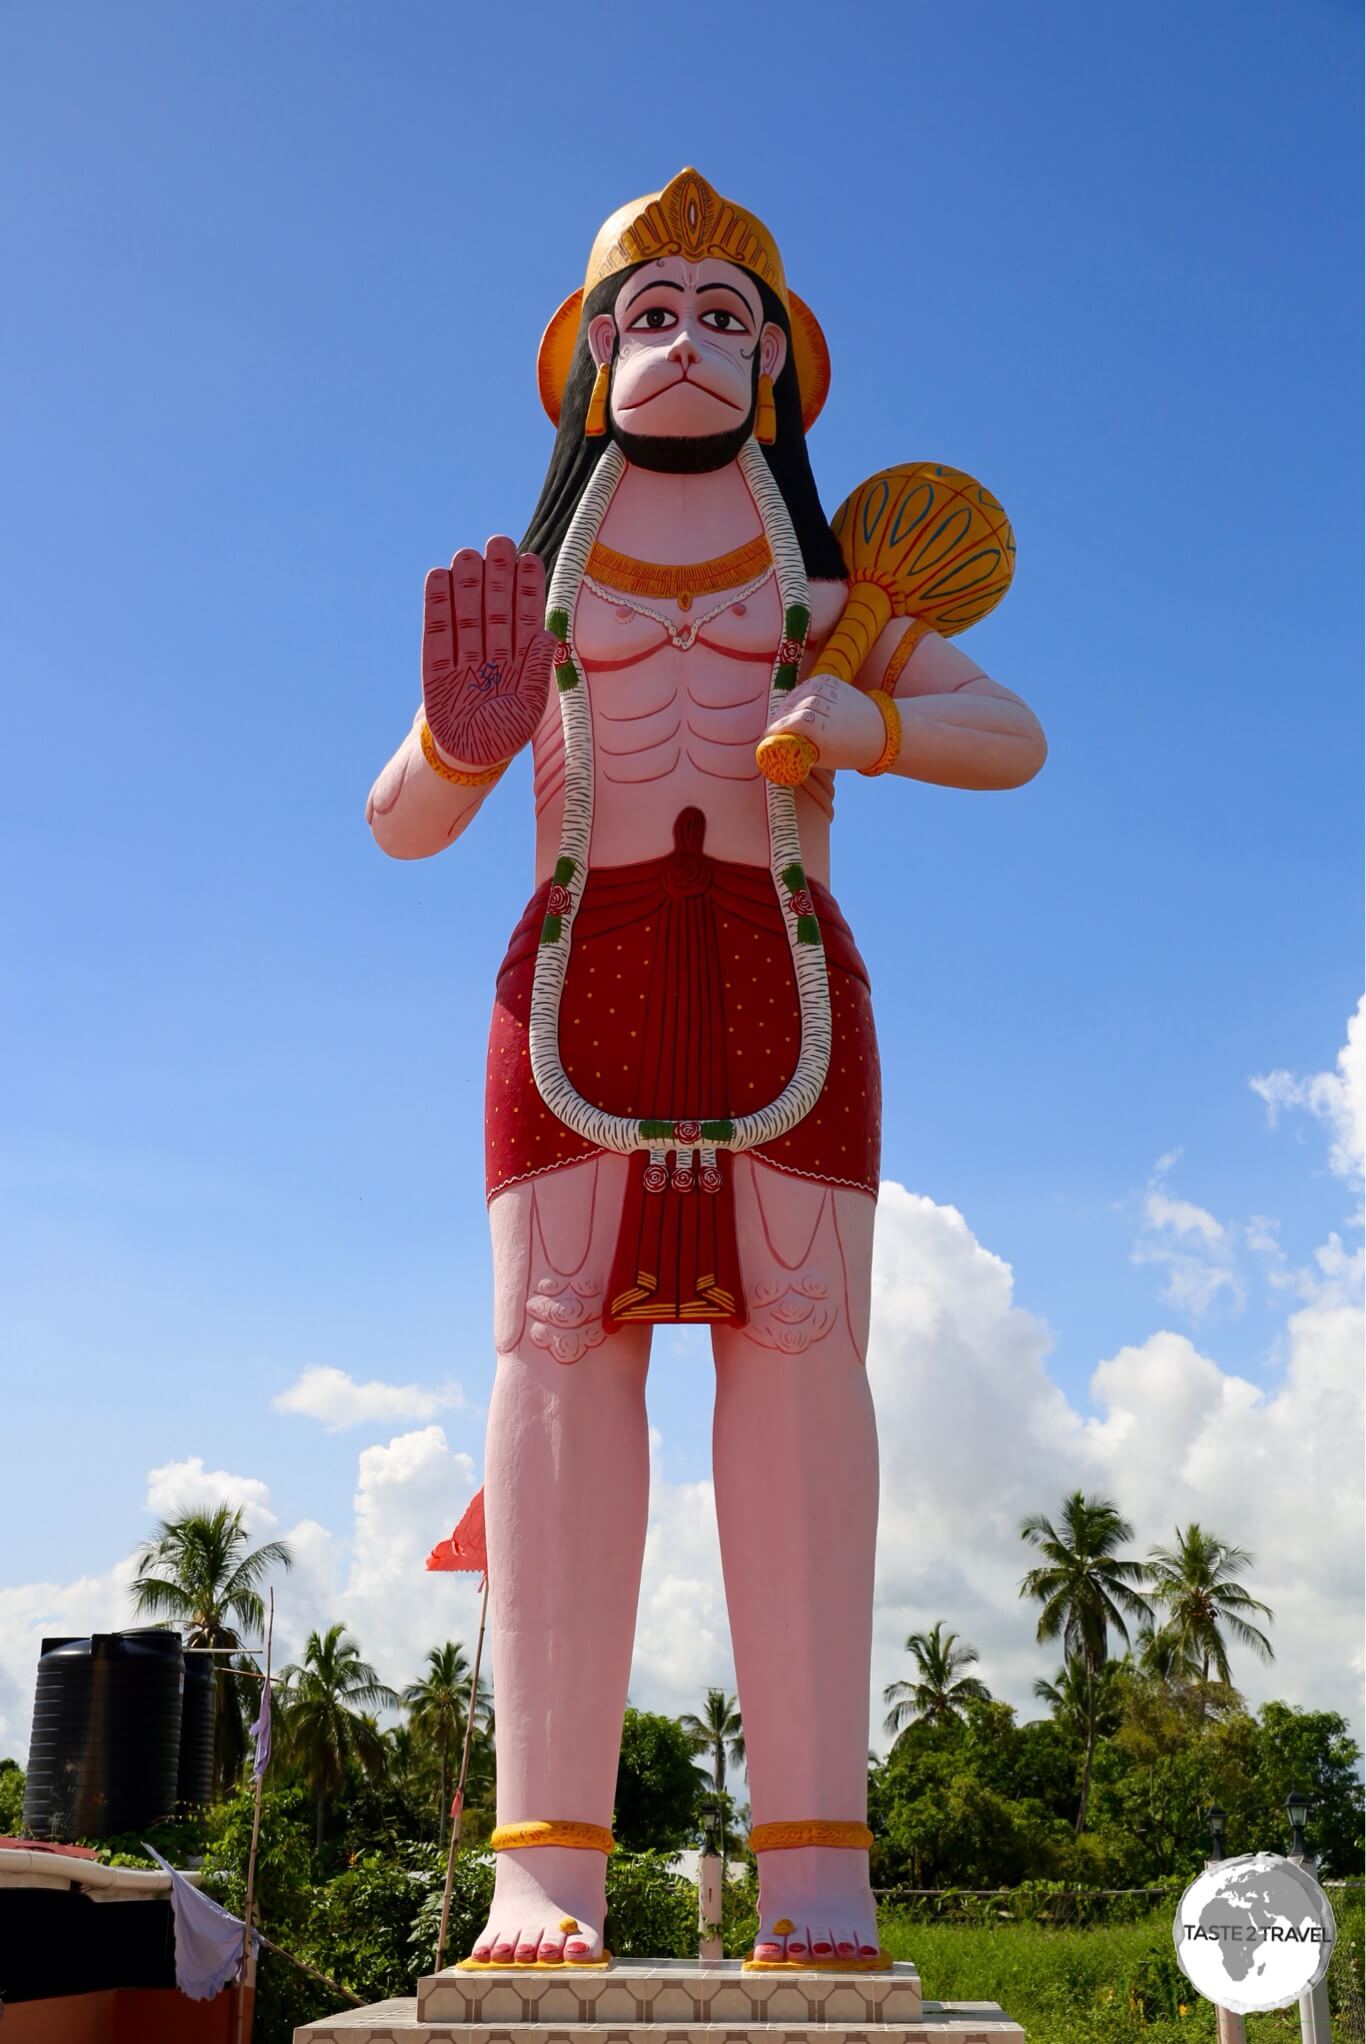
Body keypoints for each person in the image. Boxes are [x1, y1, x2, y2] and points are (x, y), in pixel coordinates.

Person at [367, 170, 1046, 1971]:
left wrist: (869, 724)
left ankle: (821, 1880)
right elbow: (403, 819)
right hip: (570, 995)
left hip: (787, 978)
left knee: (806, 1374)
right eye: (645, 311)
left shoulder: (830, 605)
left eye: (722, 313)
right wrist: (462, 734)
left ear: (778, 373)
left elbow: (1013, 733)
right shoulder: (524, 606)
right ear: (591, 366)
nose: (683, 338)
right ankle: (546, 1872)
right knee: (553, 1359)